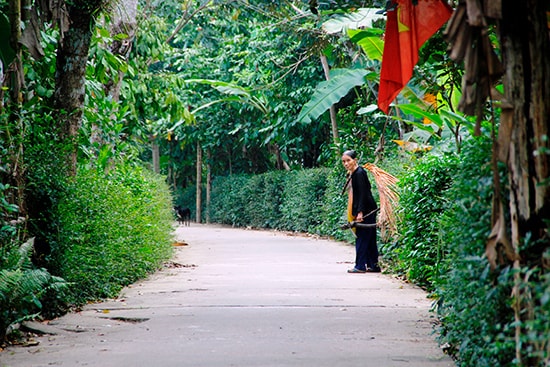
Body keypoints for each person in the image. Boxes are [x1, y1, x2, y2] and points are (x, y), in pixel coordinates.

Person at [341, 150, 381, 273]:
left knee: (362, 238)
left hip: (366, 210)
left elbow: (363, 194)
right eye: (344, 161)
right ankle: (373, 265)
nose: (346, 164)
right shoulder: (355, 173)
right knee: (369, 238)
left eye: (348, 160)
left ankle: (360, 266)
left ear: (355, 160)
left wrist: (360, 212)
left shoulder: (359, 173)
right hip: (368, 209)